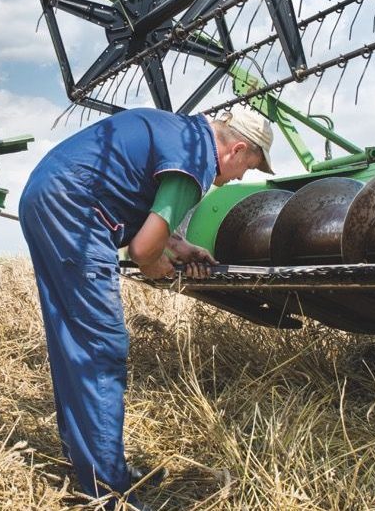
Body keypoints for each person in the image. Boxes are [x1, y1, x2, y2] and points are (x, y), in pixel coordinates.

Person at [18, 106, 274, 508]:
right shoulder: (195, 161)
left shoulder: (180, 134)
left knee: (74, 340)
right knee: (102, 346)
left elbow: (132, 198)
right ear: (236, 149)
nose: (241, 177)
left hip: (47, 193)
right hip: (74, 207)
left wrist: (175, 245)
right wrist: (155, 262)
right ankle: (108, 492)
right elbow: (141, 249)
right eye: (248, 167)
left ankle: (89, 464)